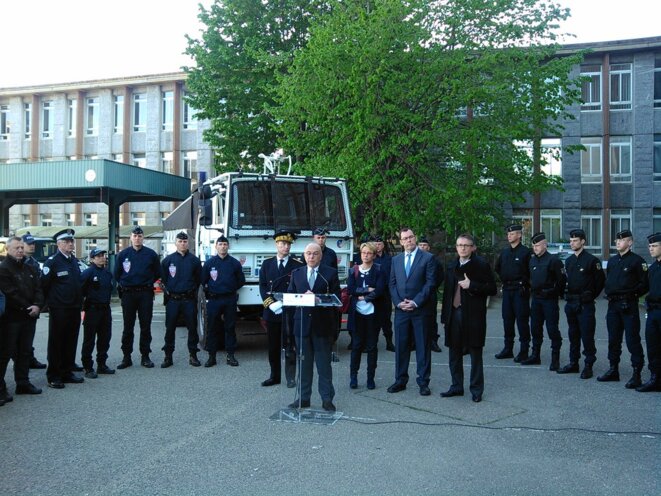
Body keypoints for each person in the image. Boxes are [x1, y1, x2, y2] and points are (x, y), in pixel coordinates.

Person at [440, 234, 496, 402]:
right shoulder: (451, 265)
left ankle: (476, 390)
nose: (462, 248)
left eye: (466, 245)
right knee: (454, 353)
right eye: (459, 245)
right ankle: (456, 386)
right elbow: (447, 294)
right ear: (456, 247)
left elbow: (492, 289)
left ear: (473, 247)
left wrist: (472, 286)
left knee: (475, 354)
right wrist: (445, 317)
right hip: (454, 314)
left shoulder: (481, 265)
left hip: (473, 316)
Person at [287, 242, 341, 411]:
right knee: (304, 364)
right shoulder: (296, 273)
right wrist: (300, 298)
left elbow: (336, 298)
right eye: (308, 253)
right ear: (304, 256)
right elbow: (289, 297)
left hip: (322, 325)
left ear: (321, 256)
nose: (311, 257)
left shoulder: (330, 274)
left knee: (324, 365)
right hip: (302, 325)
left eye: (315, 254)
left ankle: (327, 398)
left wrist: (318, 298)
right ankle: (304, 398)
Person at [387, 228, 436, 396]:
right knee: (401, 346)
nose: (409, 240)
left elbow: (430, 284)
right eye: (405, 238)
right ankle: (400, 380)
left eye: (411, 237)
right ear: (401, 242)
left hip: (420, 310)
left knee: (422, 346)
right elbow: (392, 284)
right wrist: (398, 303)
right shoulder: (396, 260)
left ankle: (423, 382)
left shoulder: (428, 258)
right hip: (401, 311)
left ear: (415, 238)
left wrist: (415, 302)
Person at [598, 229, 649, 387]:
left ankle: (636, 373)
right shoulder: (613, 261)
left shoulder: (637, 261)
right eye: (616, 241)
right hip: (613, 305)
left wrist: (631, 295)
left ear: (630, 242)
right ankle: (613, 369)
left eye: (621, 240)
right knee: (613, 339)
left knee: (632, 340)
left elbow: (644, 284)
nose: (618, 243)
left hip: (628, 306)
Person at [0, 237, 45, 402]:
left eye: (21, 247)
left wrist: (38, 305)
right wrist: (29, 307)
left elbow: (39, 289)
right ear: (7, 249)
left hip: (29, 318)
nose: (19, 250)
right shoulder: (3, 269)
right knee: (5, 353)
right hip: (11, 319)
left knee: (24, 352)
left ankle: (23, 383)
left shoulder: (30, 268)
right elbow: (10, 293)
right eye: (16, 248)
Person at [557, 229, 605, 379]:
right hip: (571, 302)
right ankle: (573, 363)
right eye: (570, 241)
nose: (572, 243)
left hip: (585, 304)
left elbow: (600, 282)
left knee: (587, 335)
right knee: (573, 335)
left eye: (575, 240)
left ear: (583, 241)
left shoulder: (592, 261)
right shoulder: (569, 261)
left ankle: (588, 365)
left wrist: (590, 296)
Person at [259, 230, 303, 387]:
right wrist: (270, 303)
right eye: (283, 244)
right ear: (276, 244)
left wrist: (287, 303)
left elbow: (300, 287)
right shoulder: (267, 264)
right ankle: (274, 375)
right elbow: (263, 286)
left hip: (290, 310)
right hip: (272, 311)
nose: (286, 247)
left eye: (288, 244)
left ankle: (290, 377)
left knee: (290, 345)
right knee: (273, 345)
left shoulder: (297, 265)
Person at [41, 229, 84, 388]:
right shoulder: (52, 262)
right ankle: (54, 375)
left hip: (74, 307)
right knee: (57, 341)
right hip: (59, 308)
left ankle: (67, 371)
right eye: (66, 241)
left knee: (70, 340)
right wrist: (49, 304)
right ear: (58, 244)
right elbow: (44, 285)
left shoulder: (73, 261)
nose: (70, 244)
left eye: (72, 241)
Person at [114, 225, 161, 369]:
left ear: (143, 238)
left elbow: (157, 272)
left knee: (145, 326)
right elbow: (117, 273)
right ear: (130, 238)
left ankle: (145, 356)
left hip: (145, 293)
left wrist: (146, 282)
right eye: (134, 236)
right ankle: (126, 357)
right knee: (128, 326)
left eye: (140, 236)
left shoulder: (151, 254)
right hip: (128, 294)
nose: (137, 238)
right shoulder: (123, 255)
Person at [522, 232, 566, 370]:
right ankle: (535, 355)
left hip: (549, 300)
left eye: (538, 245)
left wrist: (553, 292)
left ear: (545, 245)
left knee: (552, 329)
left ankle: (555, 359)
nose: (535, 247)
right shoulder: (532, 260)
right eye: (533, 245)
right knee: (535, 328)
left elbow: (562, 281)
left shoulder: (554, 261)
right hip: (536, 300)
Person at [201, 236, 245, 367]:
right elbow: (203, 281)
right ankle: (211, 356)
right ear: (216, 246)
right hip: (214, 299)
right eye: (220, 244)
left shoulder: (234, 263)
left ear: (228, 246)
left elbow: (241, 280)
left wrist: (230, 288)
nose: (223, 247)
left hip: (229, 299)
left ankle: (230, 355)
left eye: (225, 244)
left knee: (230, 328)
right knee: (212, 327)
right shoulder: (209, 263)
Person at [347, 242, 386, 390]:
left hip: (373, 315)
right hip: (357, 314)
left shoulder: (379, 270)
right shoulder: (353, 271)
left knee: (371, 346)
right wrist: (366, 289)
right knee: (356, 346)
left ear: (374, 255)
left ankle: (370, 378)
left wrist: (366, 297)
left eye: (369, 253)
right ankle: (353, 377)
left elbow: (380, 289)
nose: (366, 255)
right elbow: (350, 290)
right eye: (363, 253)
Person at [160, 232, 202, 368]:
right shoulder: (167, 261)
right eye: (180, 241)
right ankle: (168, 356)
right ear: (176, 243)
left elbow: (199, 280)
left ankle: (193, 355)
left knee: (192, 329)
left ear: (187, 243)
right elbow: (164, 279)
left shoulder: (194, 261)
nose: (182, 244)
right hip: (173, 300)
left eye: (185, 242)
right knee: (170, 329)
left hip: (189, 299)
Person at [494, 224, 532, 362]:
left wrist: (524, 283)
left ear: (519, 235)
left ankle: (524, 350)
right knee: (507, 320)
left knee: (522, 320)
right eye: (508, 234)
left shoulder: (526, 252)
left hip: (520, 291)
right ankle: (508, 348)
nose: (509, 236)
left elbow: (531, 271)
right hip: (508, 290)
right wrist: (505, 279)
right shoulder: (505, 252)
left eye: (512, 234)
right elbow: (497, 268)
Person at [80, 248, 115, 378]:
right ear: (92, 259)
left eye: (103, 255)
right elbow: (80, 291)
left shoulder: (107, 273)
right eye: (98, 256)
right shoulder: (88, 273)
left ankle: (102, 364)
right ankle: (88, 367)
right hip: (92, 310)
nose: (102, 258)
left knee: (105, 338)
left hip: (105, 309)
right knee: (89, 340)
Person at [637, 232, 661, 392]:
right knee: (653, 346)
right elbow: (644, 288)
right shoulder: (652, 268)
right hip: (653, 312)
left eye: (654, 246)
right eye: (650, 246)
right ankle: (655, 378)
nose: (650, 249)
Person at [21, 232, 47, 370]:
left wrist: (38, 304)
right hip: (20, 306)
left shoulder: (34, 263)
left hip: (33, 305)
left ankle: (29, 358)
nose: (32, 247)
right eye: (29, 244)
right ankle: (23, 361)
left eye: (33, 244)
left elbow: (39, 285)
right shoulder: (16, 262)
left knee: (29, 335)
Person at [417, 236, 444, 353]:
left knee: (431, 319)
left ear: (429, 247)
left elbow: (439, 276)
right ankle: (414, 342)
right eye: (421, 245)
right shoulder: (414, 259)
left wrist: (431, 288)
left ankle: (433, 342)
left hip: (430, 295)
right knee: (415, 318)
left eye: (425, 245)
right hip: (416, 295)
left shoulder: (434, 260)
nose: (423, 247)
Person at [373, 235, 395, 352]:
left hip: (386, 293)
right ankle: (373, 343)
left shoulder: (389, 259)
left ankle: (389, 343)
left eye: (380, 244)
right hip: (374, 293)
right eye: (376, 244)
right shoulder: (370, 258)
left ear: (383, 245)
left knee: (386, 319)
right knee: (374, 320)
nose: (378, 246)